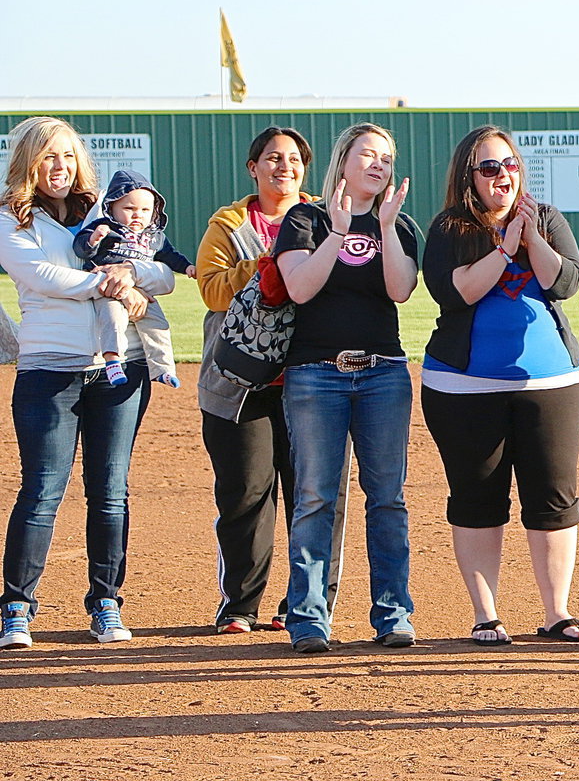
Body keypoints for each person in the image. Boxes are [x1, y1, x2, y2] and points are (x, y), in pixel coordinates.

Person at [0, 116, 175, 648]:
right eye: (49, 156)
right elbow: (41, 277)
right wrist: (111, 281)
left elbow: (162, 272)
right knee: (43, 489)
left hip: (120, 369)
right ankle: (15, 608)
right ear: (28, 161)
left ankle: (105, 601)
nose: (60, 167)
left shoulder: (101, 211)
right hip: (48, 370)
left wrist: (131, 276)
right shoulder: (13, 218)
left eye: (69, 156)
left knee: (109, 493)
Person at [421, 125, 579, 645]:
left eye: (511, 165)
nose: (504, 175)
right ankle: (486, 614)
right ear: (468, 177)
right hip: (463, 387)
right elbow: (456, 294)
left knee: (553, 496)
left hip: (553, 384)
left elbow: (564, 283)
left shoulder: (546, 218)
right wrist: (504, 249)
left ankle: (556, 611)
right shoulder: (450, 228)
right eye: (490, 168)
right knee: (477, 497)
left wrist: (532, 237)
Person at [196, 126, 350, 635]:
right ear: (253, 167)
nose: (283, 167)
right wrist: (265, 267)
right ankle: (240, 604)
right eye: (271, 158)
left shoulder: (327, 218)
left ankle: (307, 603)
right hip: (242, 383)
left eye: (293, 160)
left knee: (315, 493)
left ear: (306, 169)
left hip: (311, 379)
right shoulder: (230, 225)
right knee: (245, 491)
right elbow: (213, 292)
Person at [275, 123, 420, 653]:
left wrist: (382, 227)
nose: (379, 163)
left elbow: (400, 290)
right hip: (317, 374)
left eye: (387, 156)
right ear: (344, 161)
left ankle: (393, 613)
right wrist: (336, 232)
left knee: (387, 497)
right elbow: (300, 287)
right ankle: (309, 619)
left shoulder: (399, 224)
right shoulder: (305, 219)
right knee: (316, 496)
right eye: (368, 154)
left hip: (383, 373)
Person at [73, 169, 194, 388]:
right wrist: (93, 239)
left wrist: (187, 267)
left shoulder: (154, 236)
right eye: (129, 208)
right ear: (111, 208)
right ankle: (112, 360)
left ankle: (163, 369)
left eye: (145, 209)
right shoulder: (106, 228)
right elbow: (81, 250)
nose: (138, 215)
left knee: (158, 324)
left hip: (141, 293)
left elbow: (170, 256)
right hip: (107, 290)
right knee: (113, 319)